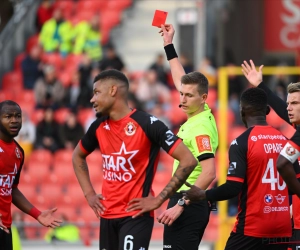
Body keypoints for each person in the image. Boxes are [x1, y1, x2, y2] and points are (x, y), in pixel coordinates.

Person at [72, 69, 198, 250]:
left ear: (113, 91)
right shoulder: (98, 126)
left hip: (135, 216)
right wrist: (89, 194)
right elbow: (77, 156)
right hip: (107, 216)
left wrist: (159, 199)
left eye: (97, 92)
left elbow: (188, 160)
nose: (92, 99)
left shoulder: (147, 123)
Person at [181, 87, 299, 250]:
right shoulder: (286, 142)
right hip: (282, 228)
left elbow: (233, 188)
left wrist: (203, 194)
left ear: (242, 111)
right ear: (267, 110)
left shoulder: (241, 142)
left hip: (252, 228)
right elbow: (295, 186)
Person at [148, 24, 219, 250]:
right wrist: (168, 44)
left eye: (188, 96)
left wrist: (181, 204)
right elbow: (181, 78)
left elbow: (209, 172)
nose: (183, 99)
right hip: (189, 200)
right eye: (181, 94)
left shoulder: (200, 128)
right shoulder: (200, 111)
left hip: (189, 201)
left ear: (204, 97)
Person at [241, 60, 300, 250]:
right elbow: (283, 109)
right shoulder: (295, 125)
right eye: (289, 103)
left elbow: (282, 163)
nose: (289, 107)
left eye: (295, 103)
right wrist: (260, 85)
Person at [0, 100, 62, 250]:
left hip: (5, 227)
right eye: (8, 116)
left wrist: (37, 214)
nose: (14, 120)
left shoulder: (18, 153)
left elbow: (11, 189)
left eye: (18, 116)